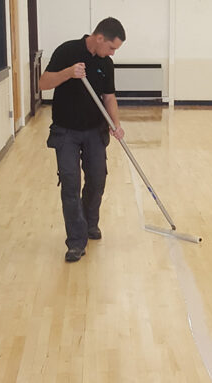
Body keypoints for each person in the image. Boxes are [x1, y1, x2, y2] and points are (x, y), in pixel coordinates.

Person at [40, 17, 126, 262]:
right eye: (111, 47)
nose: (112, 53)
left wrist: (116, 125)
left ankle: (89, 223)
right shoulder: (67, 50)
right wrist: (69, 73)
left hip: (94, 131)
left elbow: (109, 97)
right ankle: (76, 241)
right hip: (65, 131)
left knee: (97, 179)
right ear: (99, 38)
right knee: (70, 184)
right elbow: (43, 83)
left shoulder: (106, 64)